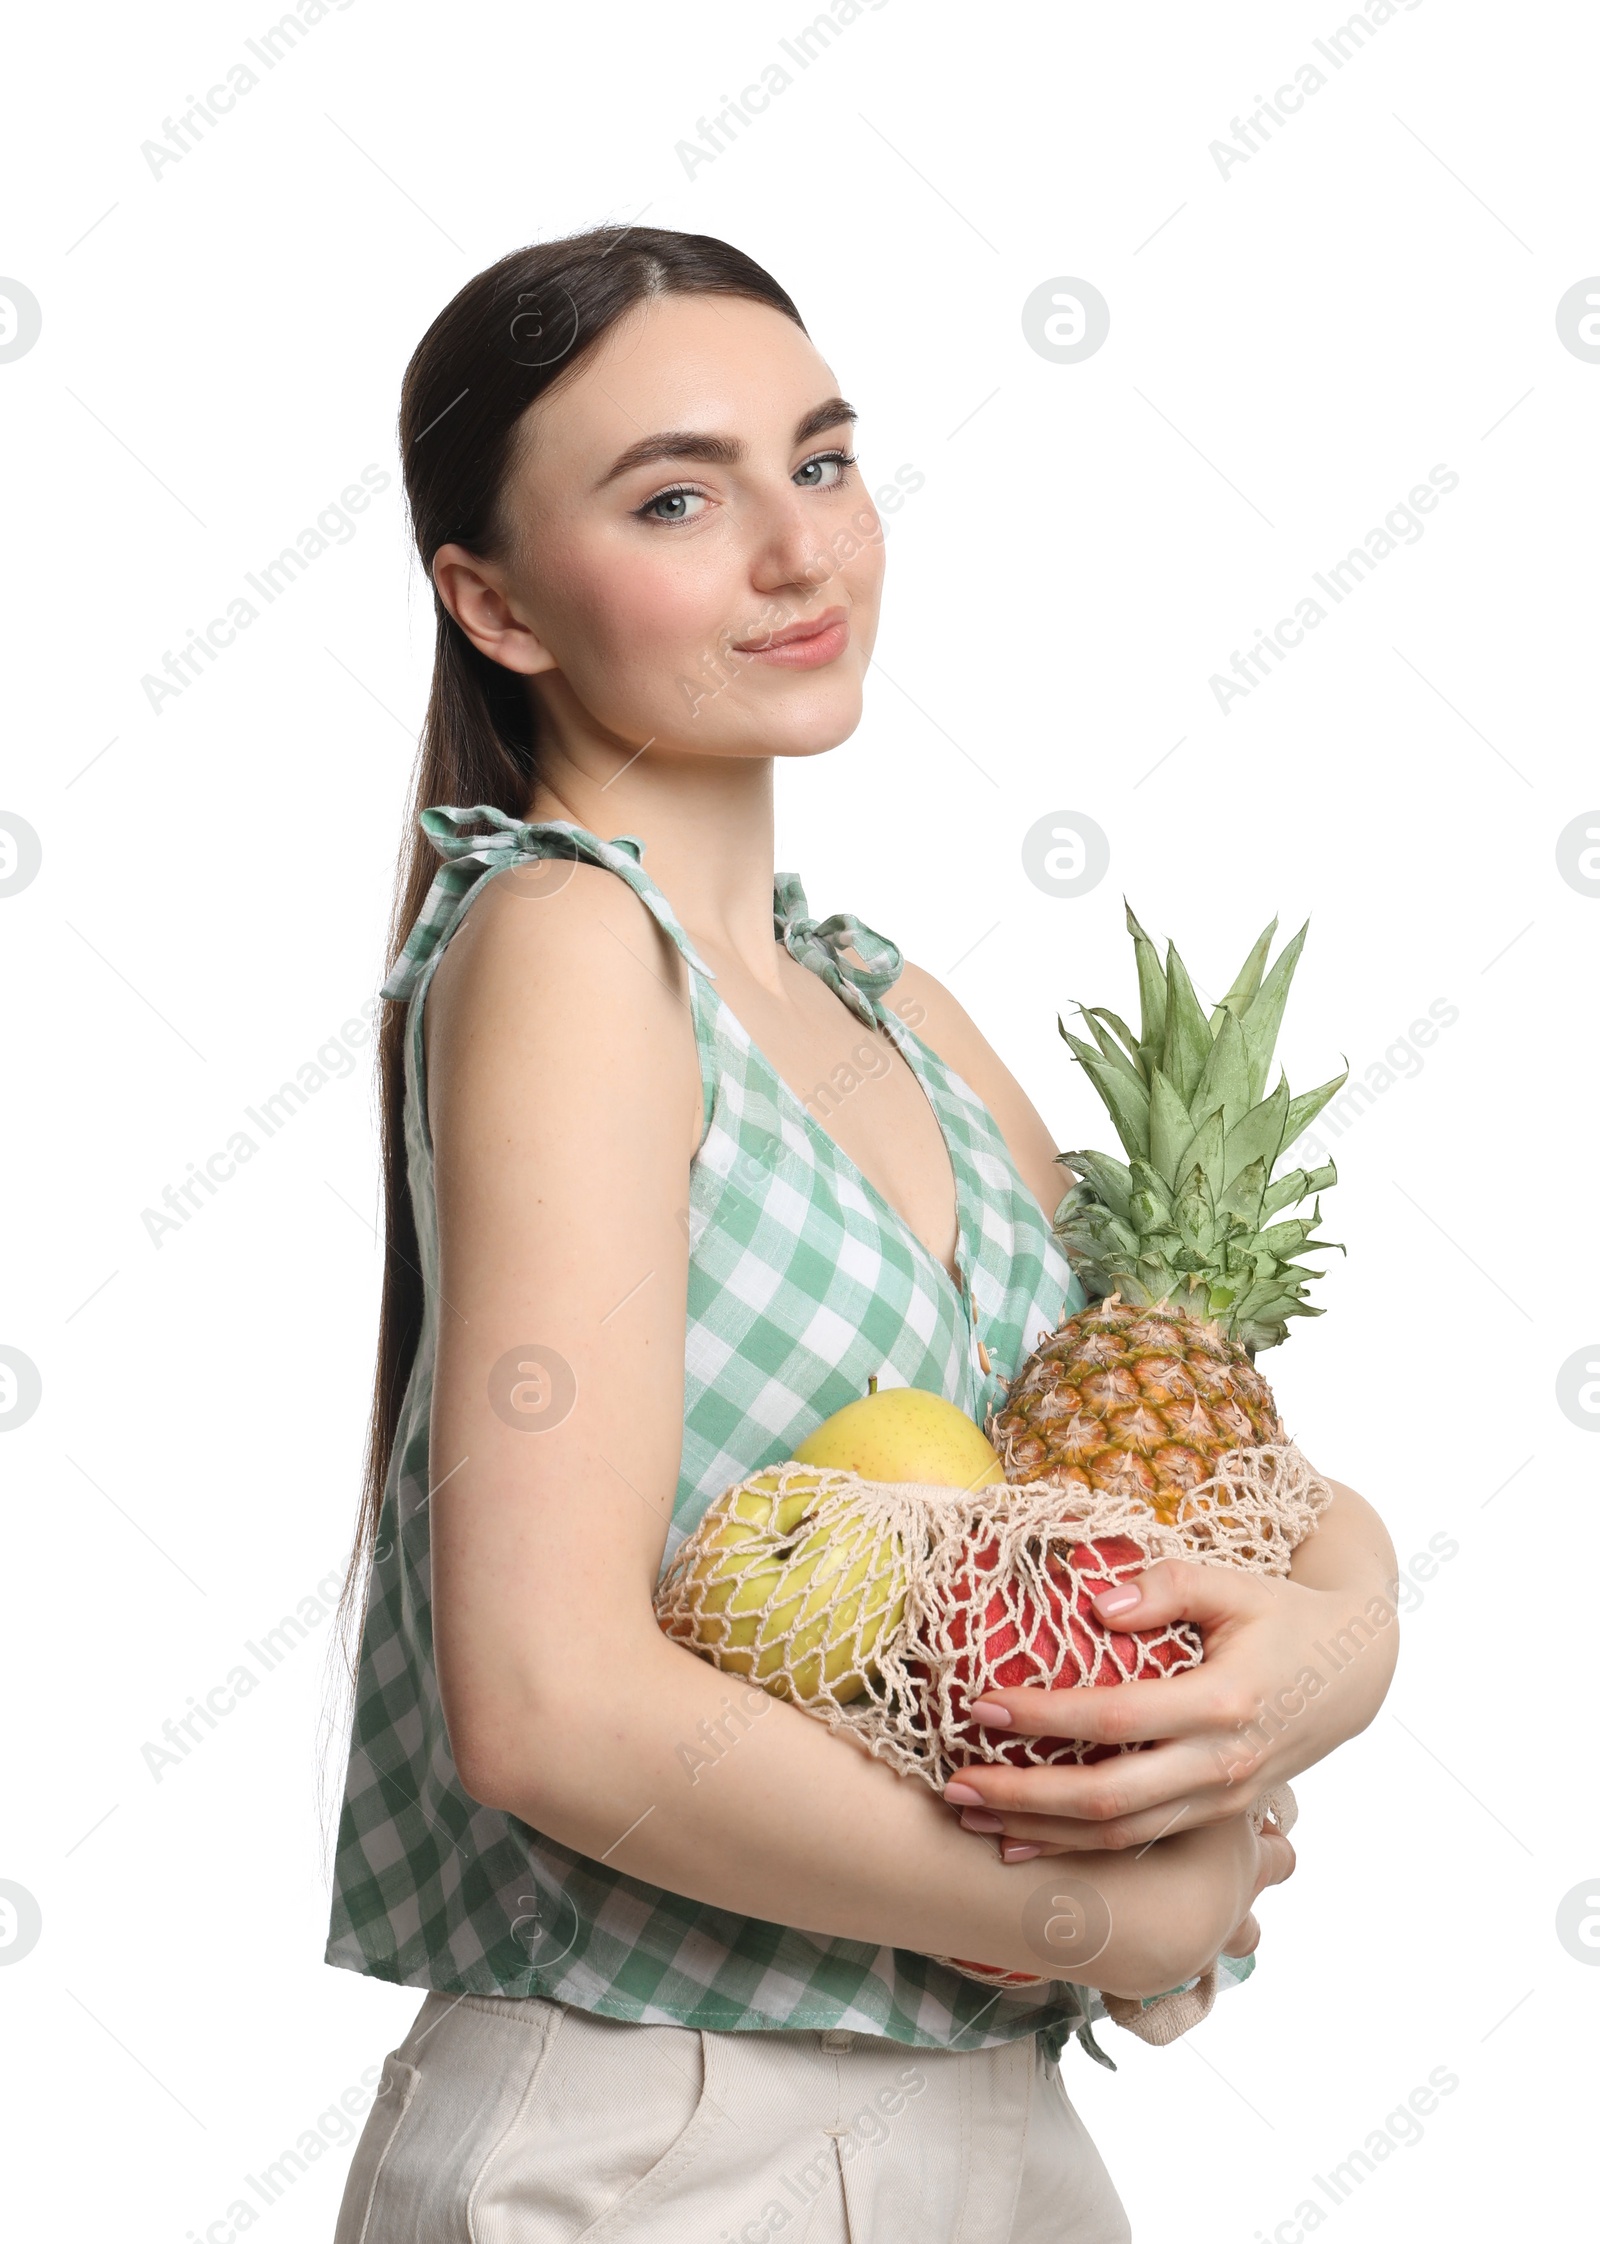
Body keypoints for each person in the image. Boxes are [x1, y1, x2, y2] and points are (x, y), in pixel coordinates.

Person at [323, 226, 1398, 2243]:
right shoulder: (569, 948)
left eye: (818, 462)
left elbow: (1259, 1492)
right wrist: (1102, 1900)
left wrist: (1335, 1650)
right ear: (492, 602)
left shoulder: (897, 1011)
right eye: (672, 497)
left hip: (972, 2133)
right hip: (673, 2137)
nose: (797, 553)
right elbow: (546, 1703)